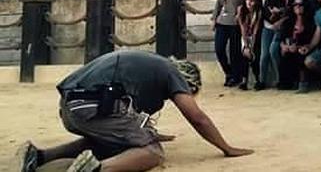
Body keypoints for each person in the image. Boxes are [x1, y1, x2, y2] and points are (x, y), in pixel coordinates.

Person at [16, 51, 253, 172]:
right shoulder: (172, 73)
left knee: (112, 143)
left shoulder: (151, 63)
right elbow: (197, 118)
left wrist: (152, 132)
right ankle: (96, 170)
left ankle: (40, 157)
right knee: (152, 151)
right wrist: (227, 148)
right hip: (93, 104)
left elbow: (130, 120)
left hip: (70, 106)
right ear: (188, 82)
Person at [213, 0, 252, 87]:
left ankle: (236, 76)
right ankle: (228, 72)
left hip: (235, 23)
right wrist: (214, 18)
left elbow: (249, 4)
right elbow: (218, 3)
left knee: (234, 52)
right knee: (219, 49)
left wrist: (243, 16)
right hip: (222, 21)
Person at [260, 0, 298, 89]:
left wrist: (280, 15)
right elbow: (266, 13)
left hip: (285, 29)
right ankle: (261, 81)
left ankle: (280, 79)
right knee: (264, 54)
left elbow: (293, 14)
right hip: (269, 26)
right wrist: (274, 16)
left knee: (273, 50)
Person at [279, 0, 316, 93]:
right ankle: (287, 82)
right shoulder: (288, 21)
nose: (298, 7)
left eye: (301, 5)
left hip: (305, 47)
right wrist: (285, 46)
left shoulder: (311, 22)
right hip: (290, 47)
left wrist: (299, 47)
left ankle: (303, 83)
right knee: (284, 54)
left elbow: (312, 40)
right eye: (295, 5)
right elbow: (282, 39)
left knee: (301, 54)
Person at [237, 0, 264, 90]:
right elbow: (242, 28)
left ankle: (258, 80)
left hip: (254, 35)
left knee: (255, 54)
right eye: (247, 0)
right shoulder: (241, 9)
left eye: (252, 0)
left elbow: (256, 30)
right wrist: (246, 46)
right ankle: (244, 80)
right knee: (244, 54)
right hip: (244, 34)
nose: (249, 3)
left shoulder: (259, 12)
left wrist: (251, 47)